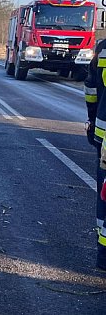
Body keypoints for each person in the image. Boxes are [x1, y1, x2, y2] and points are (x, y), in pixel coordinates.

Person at [84, 38, 106, 270]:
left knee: (104, 194)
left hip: (105, 136)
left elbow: (91, 89)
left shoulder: (102, 49)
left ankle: (104, 256)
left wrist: (92, 120)